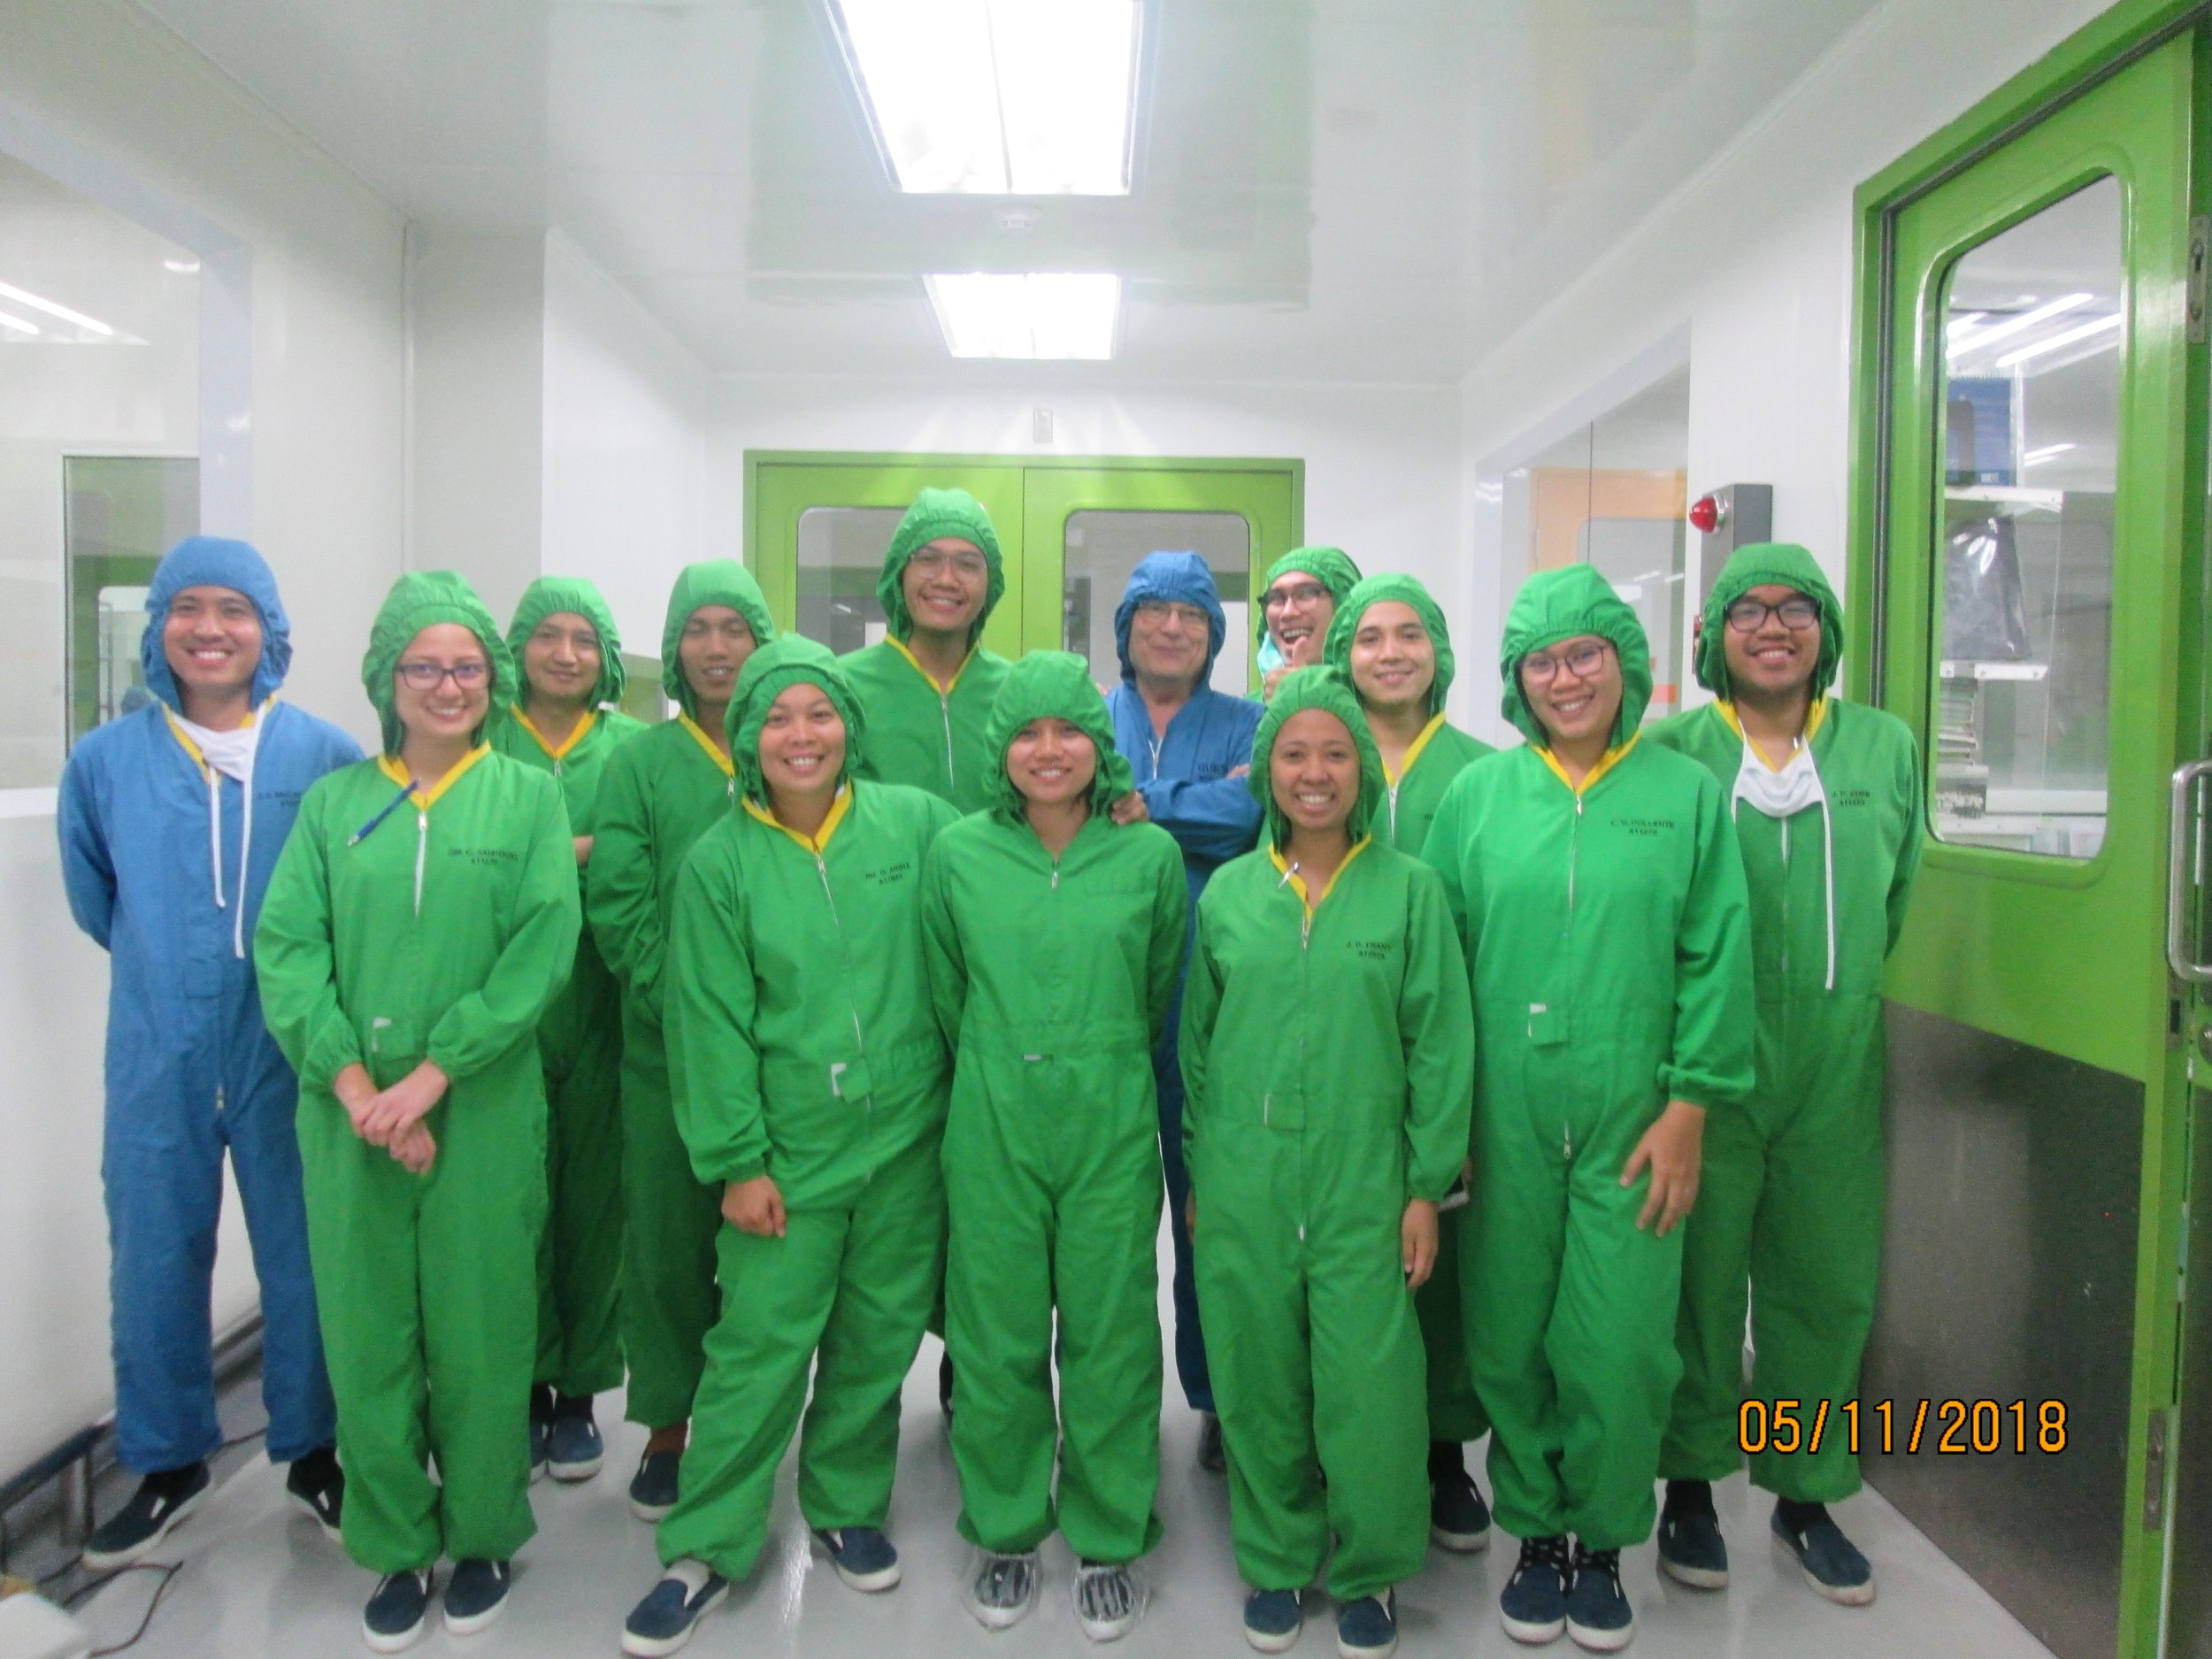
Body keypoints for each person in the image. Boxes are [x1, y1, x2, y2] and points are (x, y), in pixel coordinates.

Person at [1423, 562, 1754, 1653]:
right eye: (1541, 661)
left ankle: (1604, 1539)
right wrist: (1445, 1125)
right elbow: (1437, 973)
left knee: (1619, 1342)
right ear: (1514, 678)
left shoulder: (1683, 796)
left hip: (1636, 1118)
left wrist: (1691, 1104)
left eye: (1585, 655)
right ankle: (1535, 1533)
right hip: (1502, 1120)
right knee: (1509, 1333)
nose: (1564, 679)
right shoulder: (1478, 799)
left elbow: (1715, 953)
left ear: (1627, 663)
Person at [256, 570, 580, 1650]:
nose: (448, 685)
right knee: (369, 1336)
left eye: (467, 667)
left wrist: (433, 1077)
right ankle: (396, 1542)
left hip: (479, 1107)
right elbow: (288, 952)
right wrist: (358, 1087)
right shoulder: (336, 806)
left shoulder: (527, 799)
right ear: (385, 679)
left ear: (493, 679)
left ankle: (481, 1532)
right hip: (349, 1120)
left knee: (483, 1332)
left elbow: (540, 950)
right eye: (425, 667)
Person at [620, 638, 958, 1659]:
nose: (801, 736)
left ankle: (846, 1505)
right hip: (788, 1154)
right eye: (777, 718)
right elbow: (709, 1023)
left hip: (906, 1140)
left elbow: (995, 884)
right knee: (758, 1348)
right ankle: (707, 1542)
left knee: (875, 1340)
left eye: (819, 714)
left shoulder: (915, 825)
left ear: (848, 725)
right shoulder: (719, 863)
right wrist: (738, 1161)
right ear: (747, 737)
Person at [58, 536, 360, 1569]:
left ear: (269, 631)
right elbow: (98, 898)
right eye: (188, 608)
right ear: (158, 629)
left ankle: (314, 1451)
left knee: (307, 1252)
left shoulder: (322, 757)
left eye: (234, 610)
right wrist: (178, 977)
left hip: (290, 1045)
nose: (210, 629)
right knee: (154, 1252)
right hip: (160, 1049)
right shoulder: (105, 764)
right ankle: (168, 1461)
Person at [1181, 666, 1474, 1659]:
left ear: (1363, 770)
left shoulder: (1410, 891)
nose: (1315, 773)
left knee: (1370, 1385)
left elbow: (1440, 1047)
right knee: (1257, 1374)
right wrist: (1202, 1172)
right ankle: (1274, 1557)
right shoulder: (1230, 895)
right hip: (1245, 1180)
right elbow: (1198, 1047)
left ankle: (1371, 1565)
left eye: (1336, 753)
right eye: (1294, 753)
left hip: (1365, 1182)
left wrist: (1425, 1186)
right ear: (1267, 769)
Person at [1650, 544, 1922, 1606]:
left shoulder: (1883, 748)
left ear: (1826, 629)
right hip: (1706, 1063)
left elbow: (1893, 893)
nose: (1772, 626)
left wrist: (1831, 990)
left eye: (1795, 607)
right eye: (1747, 610)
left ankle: (1805, 1499)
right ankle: (1689, 1488)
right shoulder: (1674, 752)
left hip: (1832, 1061)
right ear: (1713, 636)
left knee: (1822, 1282)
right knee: (1699, 1282)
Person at [922, 652, 1187, 1640]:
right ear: (1001, 745)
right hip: (992, 1116)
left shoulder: (1146, 856)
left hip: (1108, 1118)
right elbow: (946, 994)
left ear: (1098, 743)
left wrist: (1091, 1052)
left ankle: (1110, 1532)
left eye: (1069, 730)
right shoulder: (958, 855)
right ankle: (1005, 1526)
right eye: (1027, 732)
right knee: (995, 1333)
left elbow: (1155, 988)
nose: (1048, 750)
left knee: (1112, 1333)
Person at [588, 561, 775, 1520]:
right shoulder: (640, 764)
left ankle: (753, 1425)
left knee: (768, 1252)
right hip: (666, 1053)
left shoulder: (793, 745)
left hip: (781, 1052)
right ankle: (667, 1428)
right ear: (672, 647)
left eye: (735, 628)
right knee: (665, 1252)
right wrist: (693, 1013)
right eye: (697, 629)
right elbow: (620, 902)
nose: (716, 647)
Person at [1323, 572, 1496, 1553]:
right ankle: (1346, 1445)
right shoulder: (1318, 759)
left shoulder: (1485, 776)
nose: (1389, 653)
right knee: (1348, 1259)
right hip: (1340, 1057)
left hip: (1447, 1055)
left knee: (1445, 1268)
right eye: (1369, 637)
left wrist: (1456, 1111)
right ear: (1341, 657)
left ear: (1440, 650)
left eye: (1409, 635)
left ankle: (1441, 1451)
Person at [1102, 550, 1264, 1472]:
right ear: (1125, 628)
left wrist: (1145, 802)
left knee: (1214, 1214)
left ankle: (1218, 1394)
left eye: (1192, 615)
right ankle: (1108, 1405)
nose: (1173, 628)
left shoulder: (1254, 723)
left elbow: (1247, 814)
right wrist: (1196, 804)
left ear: (1214, 634)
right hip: (1107, 1007)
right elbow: (1080, 809)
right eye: (1155, 612)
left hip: (1214, 1011)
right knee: (1108, 1222)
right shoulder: (1089, 718)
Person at [490, 578, 646, 1485]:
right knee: (512, 1204)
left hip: (603, 999)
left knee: (595, 1204)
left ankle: (582, 1387)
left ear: (607, 657)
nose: (565, 654)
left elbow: (637, 854)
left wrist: (537, 850)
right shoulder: (484, 741)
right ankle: (520, 1385)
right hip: (506, 999)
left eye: (584, 639)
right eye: (547, 636)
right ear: (517, 648)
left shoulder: (629, 749)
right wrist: (578, 849)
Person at [841, 487, 1012, 813]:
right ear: (899, 573)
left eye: (968, 564)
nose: (946, 579)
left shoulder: (1016, 690)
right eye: (928, 559)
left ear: (990, 582)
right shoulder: (842, 687)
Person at [1256, 545, 1362, 699]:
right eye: (1276, 598)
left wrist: (1308, 699)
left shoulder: (1383, 706)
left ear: (1344, 608)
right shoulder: (1246, 711)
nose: (1287, 613)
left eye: (1307, 594)